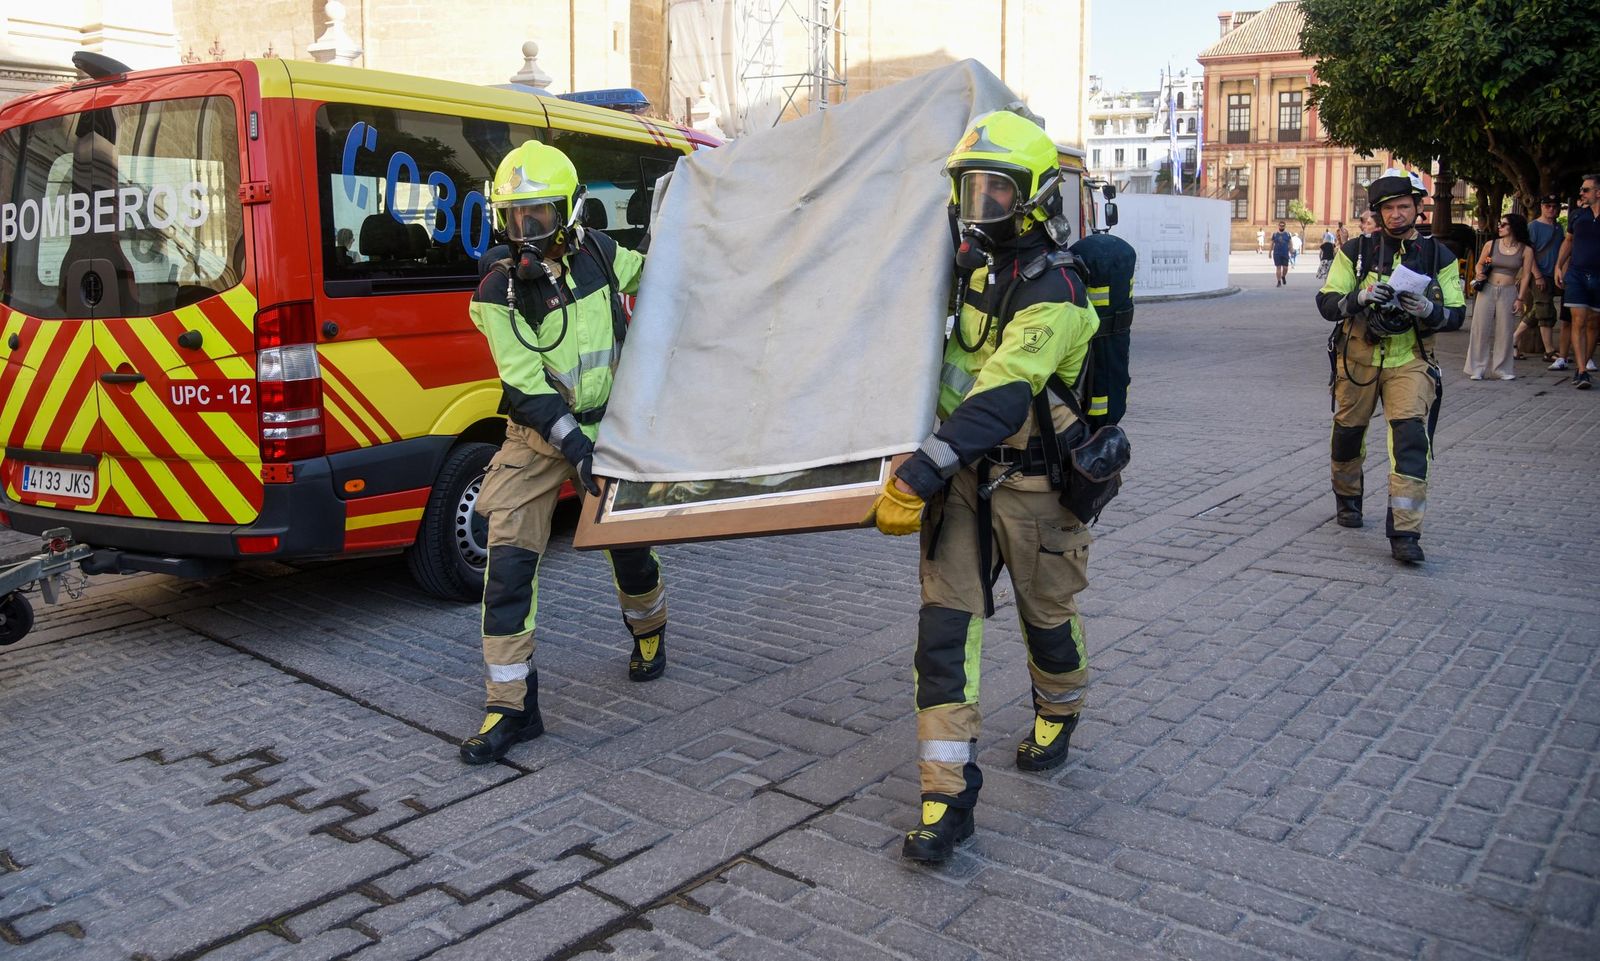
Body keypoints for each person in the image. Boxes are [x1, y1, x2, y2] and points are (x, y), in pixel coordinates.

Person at [864, 110, 1108, 864]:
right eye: (969, 191)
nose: (978, 208)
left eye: (994, 193)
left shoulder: (1059, 288)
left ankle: (1059, 711)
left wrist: (917, 471)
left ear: (1033, 199)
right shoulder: (973, 268)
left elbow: (1003, 395)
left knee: (1046, 620)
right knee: (942, 632)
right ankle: (946, 797)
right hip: (963, 479)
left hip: (1034, 484)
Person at [459, 140, 669, 765]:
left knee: (627, 544)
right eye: (514, 219)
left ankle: (650, 633)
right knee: (508, 563)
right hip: (538, 438)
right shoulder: (497, 293)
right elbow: (524, 386)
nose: (526, 233)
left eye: (540, 217)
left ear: (572, 212)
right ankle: (511, 707)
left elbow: (660, 276)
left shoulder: (602, 254)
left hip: (609, 428)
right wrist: (574, 447)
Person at [1315, 168, 1465, 564]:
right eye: (1388, 209)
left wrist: (1430, 309)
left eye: (1404, 206)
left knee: (1411, 441)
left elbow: (1456, 315)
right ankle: (1348, 499)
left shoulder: (1440, 256)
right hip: (1358, 357)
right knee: (1348, 433)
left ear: (1418, 208)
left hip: (1411, 359)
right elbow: (1327, 303)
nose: (1397, 215)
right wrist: (1360, 298)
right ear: (1377, 214)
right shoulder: (1356, 252)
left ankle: (1405, 533)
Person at [1465, 212, 1537, 380]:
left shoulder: (1526, 250)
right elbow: (1480, 263)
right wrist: (1479, 273)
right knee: (1480, 328)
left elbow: (1526, 275)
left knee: (1505, 330)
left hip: (1508, 290)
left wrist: (1520, 298)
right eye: (1500, 224)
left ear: (1514, 227)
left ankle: (1502, 369)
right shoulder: (1491, 244)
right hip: (1488, 288)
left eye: (1504, 224)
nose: (1500, 227)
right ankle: (1477, 368)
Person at [1554, 173, 1600, 388]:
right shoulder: (1576, 216)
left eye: (1586, 190)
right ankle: (1581, 370)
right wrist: (1558, 265)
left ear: (1598, 192)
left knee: (1593, 323)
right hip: (1577, 274)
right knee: (1578, 320)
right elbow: (1568, 241)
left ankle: (1583, 365)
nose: (1581, 193)